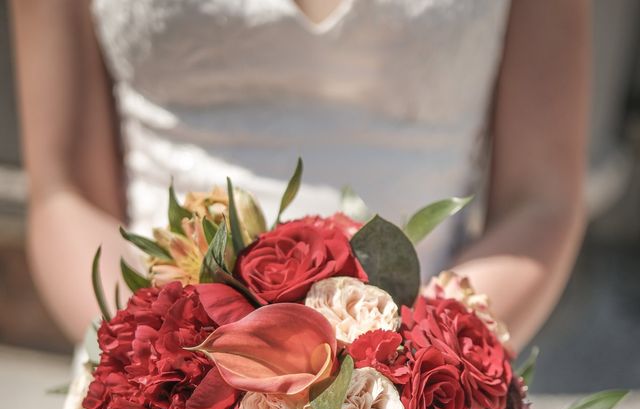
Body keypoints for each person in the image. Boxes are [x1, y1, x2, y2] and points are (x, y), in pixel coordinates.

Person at [10, 0, 589, 354]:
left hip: (425, 371)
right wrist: (173, 376)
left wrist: (409, 374)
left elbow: (539, 200)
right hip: (165, 360)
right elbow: (66, 193)